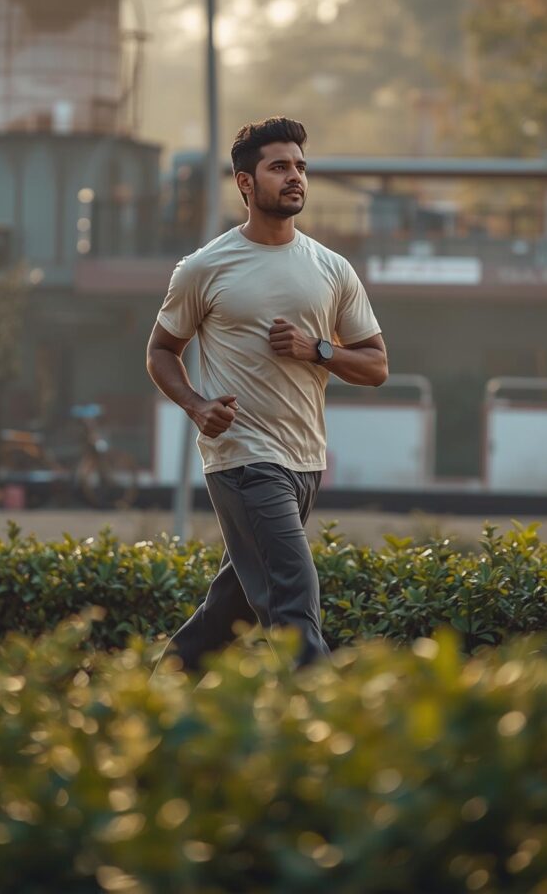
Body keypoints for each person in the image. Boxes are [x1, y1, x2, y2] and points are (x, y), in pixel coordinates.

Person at [147, 116, 388, 675]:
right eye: (279, 167)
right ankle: (331, 737)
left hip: (306, 462)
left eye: (300, 166)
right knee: (293, 602)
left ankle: (153, 703)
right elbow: (161, 350)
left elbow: (376, 366)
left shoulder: (333, 268)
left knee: (227, 612)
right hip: (244, 460)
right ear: (246, 183)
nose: (295, 177)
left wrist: (319, 350)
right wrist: (196, 404)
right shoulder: (204, 268)